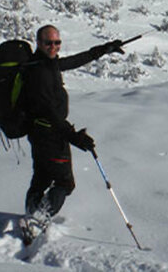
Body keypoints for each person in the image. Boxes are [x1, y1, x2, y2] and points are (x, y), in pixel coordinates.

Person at [22, 24, 124, 223]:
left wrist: (104, 49)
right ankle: (37, 220)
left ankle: (31, 214)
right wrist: (75, 137)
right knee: (64, 182)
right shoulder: (40, 73)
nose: (54, 47)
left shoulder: (42, 63)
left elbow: (74, 61)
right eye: (48, 43)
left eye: (57, 42)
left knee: (41, 177)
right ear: (39, 43)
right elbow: (51, 114)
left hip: (38, 133)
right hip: (50, 135)